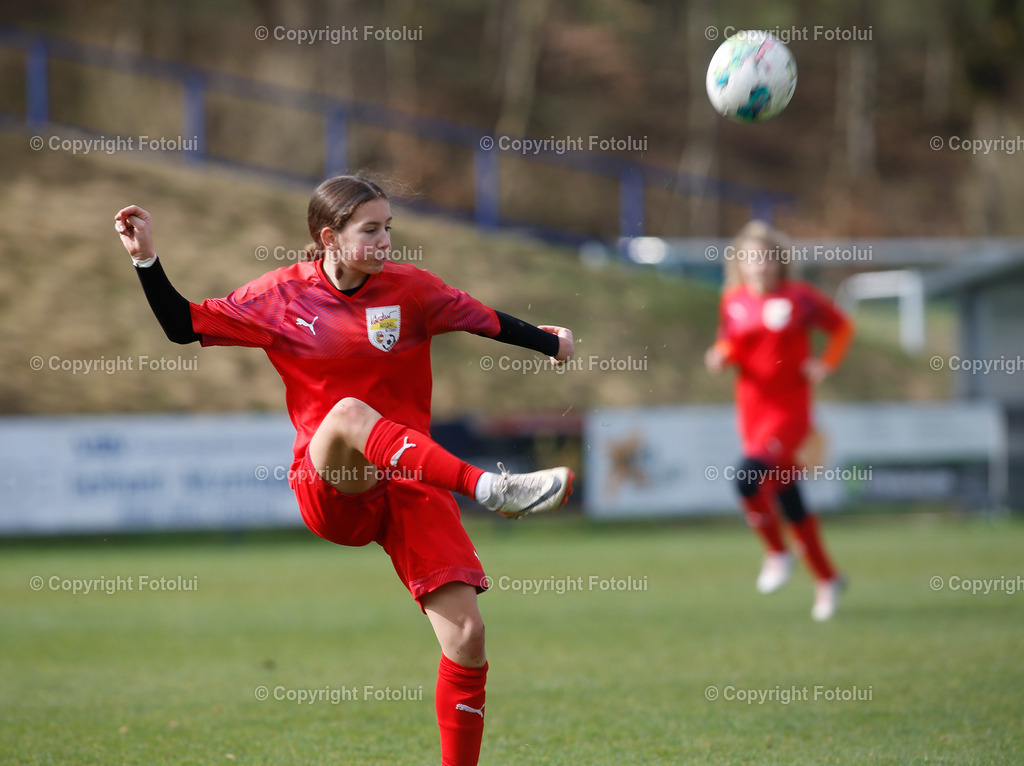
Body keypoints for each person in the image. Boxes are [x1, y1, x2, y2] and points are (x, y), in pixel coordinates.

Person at [115, 175, 575, 765]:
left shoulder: (411, 289)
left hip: (412, 479)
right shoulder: (279, 297)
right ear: (329, 237)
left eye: (389, 228)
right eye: (372, 230)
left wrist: (547, 341)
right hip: (332, 484)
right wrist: (146, 258)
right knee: (351, 414)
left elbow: (481, 318)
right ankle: (491, 486)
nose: (386, 241)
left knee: (467, 638)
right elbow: (185, 325)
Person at [704, 220, 853, 621]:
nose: (760, 266)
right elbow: (730, 341)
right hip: (751, 412)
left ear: (779, 263)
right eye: (752, 259)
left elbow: (841, 327)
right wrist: (720, 355)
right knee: (790, 498)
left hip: (789, 413)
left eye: (767, 258)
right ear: (741, 264)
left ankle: (776, 552)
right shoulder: (733, 300)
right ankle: (828, 578)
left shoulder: (800, 298)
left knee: (745, 478)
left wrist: (826, 364)